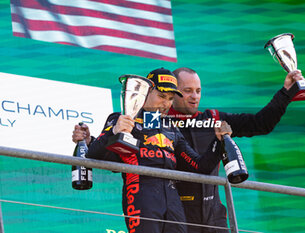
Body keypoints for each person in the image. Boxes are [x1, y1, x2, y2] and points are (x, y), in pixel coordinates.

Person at [79, 68, 232, 233]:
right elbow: (94, 155)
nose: (166, 104)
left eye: (170, 99)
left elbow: (200, 166)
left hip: (173, 201)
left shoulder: (171, 128)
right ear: (146, 92)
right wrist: (114, 131)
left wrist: (218, 142)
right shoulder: (122, 118)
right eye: (161, 96)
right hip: (141, 194)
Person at [167, 67, 305, 233]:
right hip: (178, 216)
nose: (195, 97)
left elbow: (261, 124)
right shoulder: (159, 125)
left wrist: (286, 93)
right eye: (188, 91)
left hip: (214, 218)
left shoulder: (214, 119)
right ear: (173, 93)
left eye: (198, 91)